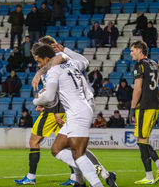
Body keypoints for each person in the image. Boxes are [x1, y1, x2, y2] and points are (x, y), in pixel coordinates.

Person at [16, 37, 117, 187]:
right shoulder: (69, 60)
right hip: (82, 105)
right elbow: (82, 62)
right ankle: (89, 177)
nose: (37, 60)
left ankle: (95, 177)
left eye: (38, 57)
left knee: (62, 148)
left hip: (70, 108)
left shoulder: (53, 68)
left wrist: (39, 101)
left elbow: (52, 95)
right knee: (66, 147)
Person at [32, 44, 105, 187]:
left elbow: (49, 97)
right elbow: (85, 60)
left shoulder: (54, 71)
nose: (40, 66)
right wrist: (65, 50)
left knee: (78, 154)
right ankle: (81, 181)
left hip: (77, 112)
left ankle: (96, 180)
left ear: (47, 58)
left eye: (40, 61)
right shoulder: (72, 63)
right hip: (79, 111)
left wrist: (36, 101)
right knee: (57, 149)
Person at [129, 41, 159, 184]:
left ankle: (151, 175)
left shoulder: (139, 65)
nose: (131, 53)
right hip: (154, 106)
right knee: (141, 141)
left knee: (142, 141)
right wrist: (155, 98)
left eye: (132, 50)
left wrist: (132, 108)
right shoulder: (156, 65)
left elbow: (137, 89)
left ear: (140, 50)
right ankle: (158, 166)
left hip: (144, 107)